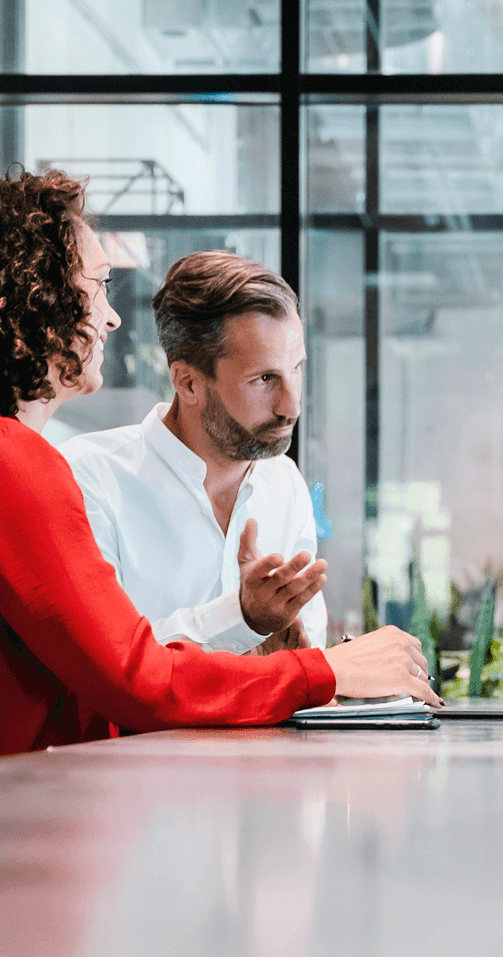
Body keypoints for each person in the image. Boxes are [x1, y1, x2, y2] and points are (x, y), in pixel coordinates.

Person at [0, 171, 438, 773]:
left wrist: (283, 654)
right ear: (31, 296)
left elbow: (77, 686)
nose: (112, 319)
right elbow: (137, 678)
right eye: (99, 288)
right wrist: (322, 671)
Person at [63, 252, 328, 657]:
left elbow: (306, 652)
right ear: (187, 383)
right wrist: (242, 618)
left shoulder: (284, 483)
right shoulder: (88, 479)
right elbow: (104, 657)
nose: (290, 407)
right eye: (264, 379)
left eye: (297, 370)